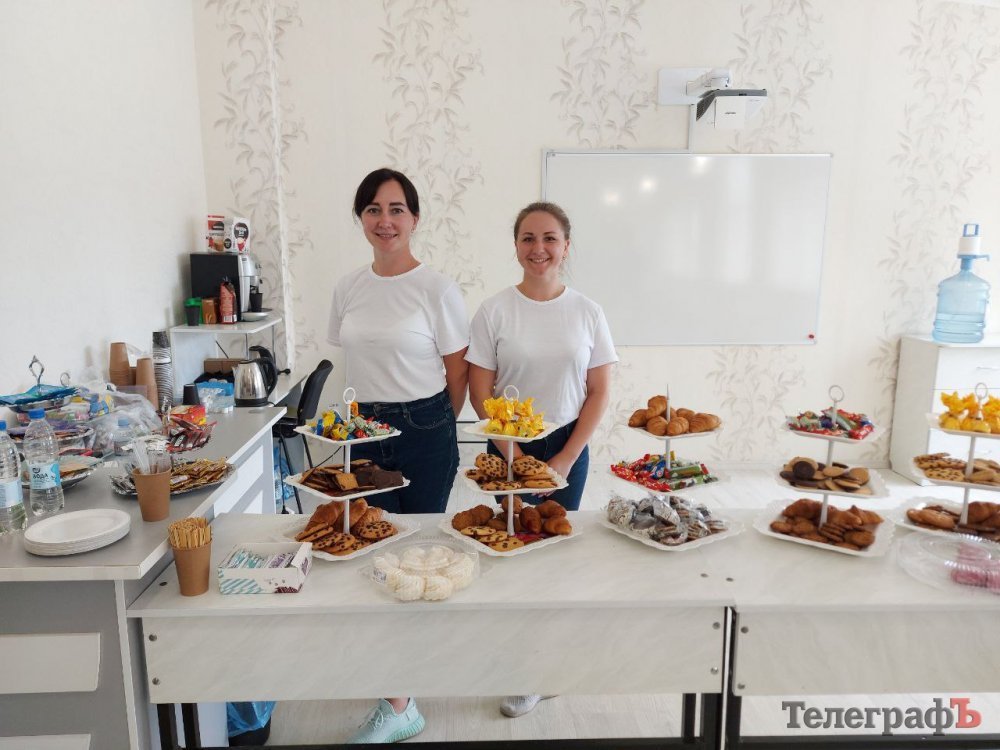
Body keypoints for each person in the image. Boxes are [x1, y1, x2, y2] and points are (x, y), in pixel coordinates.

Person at [327, 168, 470, 743]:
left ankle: (402, 696)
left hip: (425, 425)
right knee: (373, 552)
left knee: (418, 554)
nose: (384, 221)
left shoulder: (437, 288)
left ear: (414, 218)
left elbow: (457, 373)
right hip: (364, 429)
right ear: (361, 218)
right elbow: (354, 359)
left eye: (396, 210)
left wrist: (436, 427)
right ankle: (397, 688)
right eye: (372, 210)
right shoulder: (348, 287)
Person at [465, 201, 617, 718]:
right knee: (511, 549)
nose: (539, 248)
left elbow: (599, 391)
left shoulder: (588, 312)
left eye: (550, 238)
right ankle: (518, 662)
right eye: (528, 238)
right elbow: (481, 392)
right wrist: (515, 459)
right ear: (515, 246)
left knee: (553, 552)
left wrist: (567, 458)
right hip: (508, 445)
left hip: (568, 445)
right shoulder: (494, 310)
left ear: (566, 246)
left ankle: (547, 663)